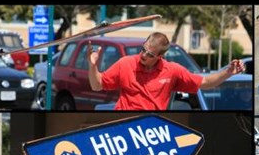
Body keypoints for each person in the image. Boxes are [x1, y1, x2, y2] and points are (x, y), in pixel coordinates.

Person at [87, 32, 246, 110]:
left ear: (160, 56)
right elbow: (97, 85)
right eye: (143, 49)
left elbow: (204, 82)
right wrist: (93, 66)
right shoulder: (125, 63)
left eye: (149, 54)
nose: (143, 55)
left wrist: (228, 72)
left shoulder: (172, 70)